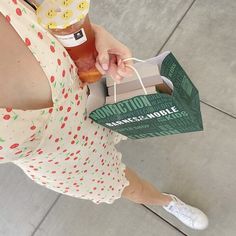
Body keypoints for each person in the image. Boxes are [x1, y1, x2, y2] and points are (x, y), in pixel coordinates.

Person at [0, 0, 208, 230]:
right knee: (132, 189)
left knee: (134, 122)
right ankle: (167, 201)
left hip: (87, 88)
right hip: (63, 161)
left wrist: (89, 35)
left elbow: (50, 8)